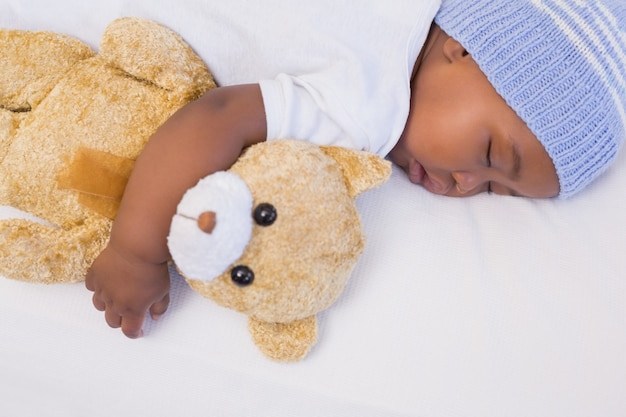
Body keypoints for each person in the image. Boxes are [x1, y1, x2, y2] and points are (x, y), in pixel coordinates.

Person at [86, 0, 625, 338]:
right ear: (461, 49)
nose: (465, 184)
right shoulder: (371, 105)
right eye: (487, 156)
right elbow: (219, 118)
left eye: (494, 191)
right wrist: (137, 252)